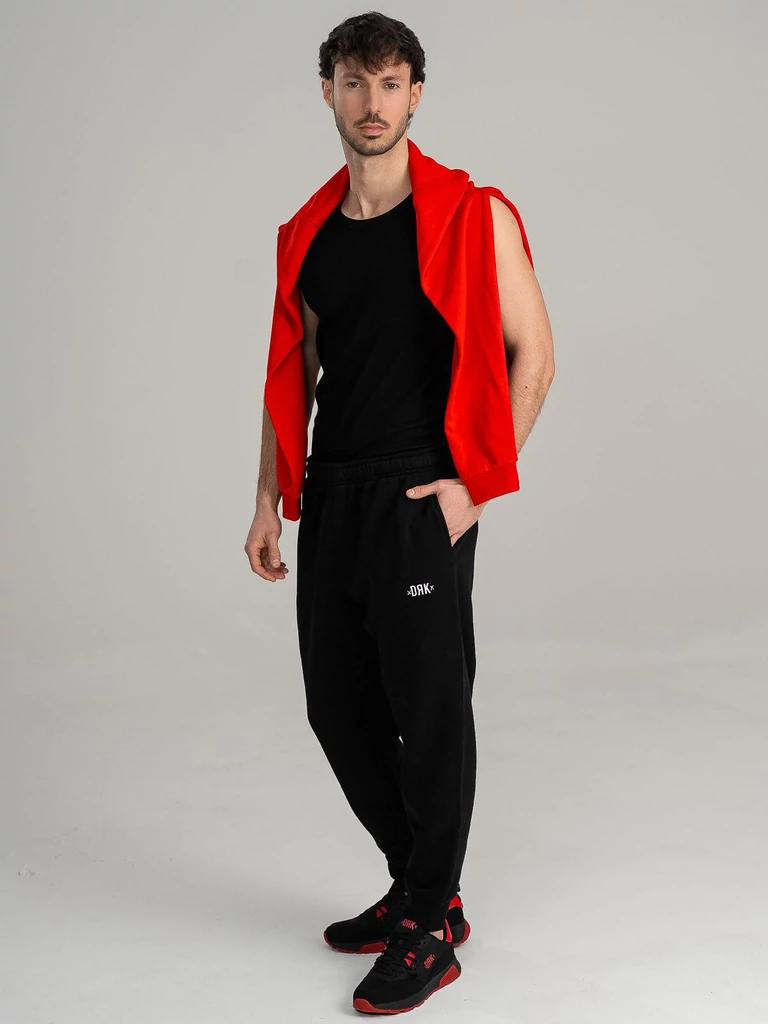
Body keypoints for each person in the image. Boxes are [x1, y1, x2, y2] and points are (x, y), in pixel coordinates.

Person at [245, 11, 555, 1015]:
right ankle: (426, 885)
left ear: (416, 94)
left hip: (423, 488)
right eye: (353, 82)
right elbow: (294, 376)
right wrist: (267, 498)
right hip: (334, 491)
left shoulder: (472, 213)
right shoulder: (308, 235)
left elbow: (535, 353)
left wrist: (476, 486)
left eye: (389, 83)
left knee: (429, 710)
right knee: (337, 707)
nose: (371, 103)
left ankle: (427, 923)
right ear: (328, 93)